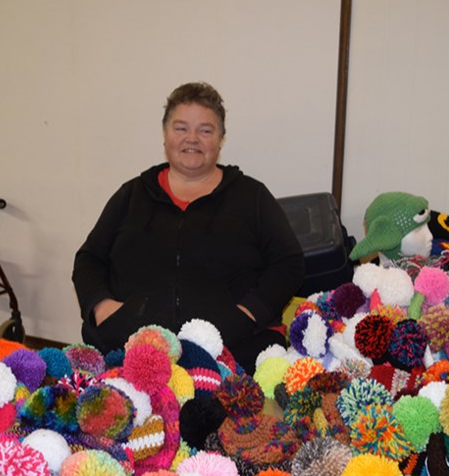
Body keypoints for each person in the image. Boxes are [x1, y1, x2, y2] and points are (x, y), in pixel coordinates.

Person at [72, 82, 305, 373]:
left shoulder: (251, 196)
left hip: (233, 353)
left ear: (220, 139)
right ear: (165, 134)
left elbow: (289, 262)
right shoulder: (132, 195)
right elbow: (89, 259)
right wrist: (104, 310)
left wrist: (247, 314)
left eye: (205, 130)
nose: (191, 139)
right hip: (130, 353)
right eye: (180, 128)